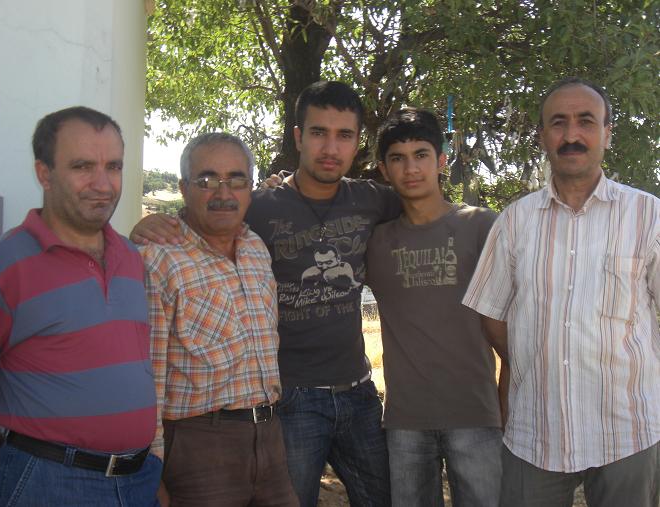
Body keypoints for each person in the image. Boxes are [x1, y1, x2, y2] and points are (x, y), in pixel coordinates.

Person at [131, 81, 401, 506]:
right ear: (298, 137)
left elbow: (424, 206)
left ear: (356, 143)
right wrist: (146, 226)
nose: (331, 147)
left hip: (356, 392)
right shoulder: (258, 207)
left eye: (344, 135)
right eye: (318, 132)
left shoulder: (373, 200)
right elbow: (201, 216)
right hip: (288, 401)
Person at [463, 77, 660, 507]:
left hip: (628, 430)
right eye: (558, 123)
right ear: (542, 136)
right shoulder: (515, 221)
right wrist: (533, 356)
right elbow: (491, 313)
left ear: (607, 133)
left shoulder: (649, 216)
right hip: (537, 431)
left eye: (586, 121)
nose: (572, 135)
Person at [0, 106, 160, 506]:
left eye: (113, 166)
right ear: (44, 173)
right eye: (82, 166)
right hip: (48, 484)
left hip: (137, 479)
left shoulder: (131, 258)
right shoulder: (1, 267)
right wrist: (17, 467)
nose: (103, 184)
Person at [139, 133, 298, 507]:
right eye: (207, 180)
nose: (223, 193)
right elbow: (147, 379)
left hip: (270, 439)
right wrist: (150, 471)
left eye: (237, 180)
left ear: (251, 188)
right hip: (199, 450)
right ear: (184, 188)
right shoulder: (158, 258)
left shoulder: (255, 248)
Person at [366, 107, 505, 507]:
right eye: (398, 158)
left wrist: (508, 407)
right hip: (405, 422)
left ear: (442, 160)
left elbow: (516, 326)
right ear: (384, 169)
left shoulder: (482, 226)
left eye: (421, 155)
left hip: (477, 416)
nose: (411, 168)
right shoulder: (374, 242)